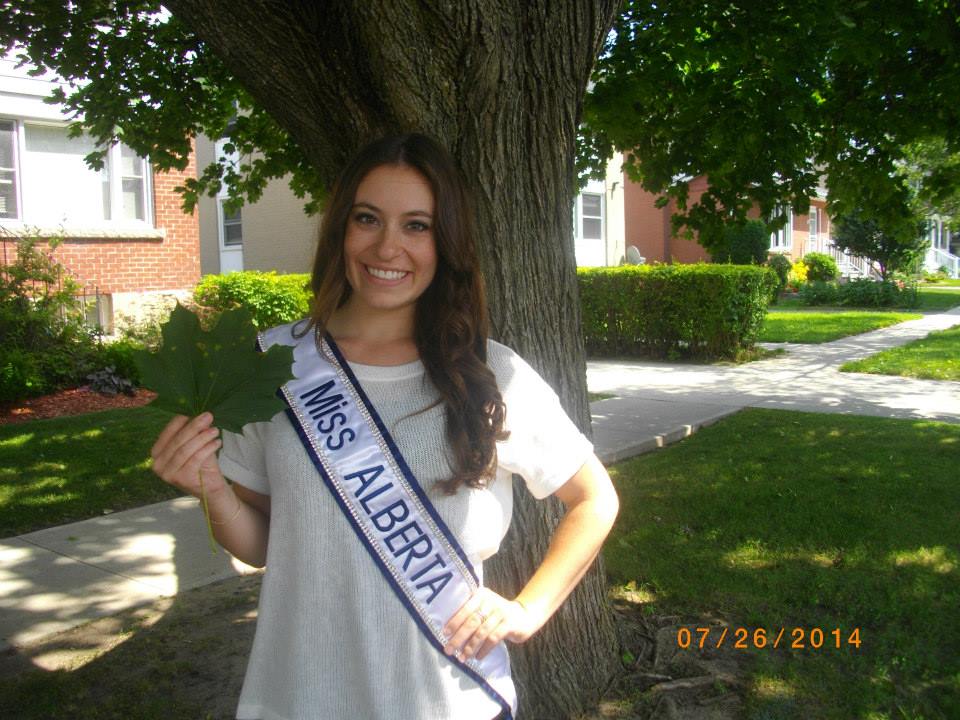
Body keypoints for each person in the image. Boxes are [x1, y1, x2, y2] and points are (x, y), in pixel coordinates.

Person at [150, 133, 619, 720]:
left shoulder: (490, 373)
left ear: (446, 241)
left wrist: (529, 609)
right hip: (297, 696)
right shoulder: (272, 363)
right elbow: (268, 547)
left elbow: (594, 499)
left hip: (451, 700)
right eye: (367, 218)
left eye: (417, 225)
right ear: (340, 230)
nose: (387, 247)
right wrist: (211, 490)